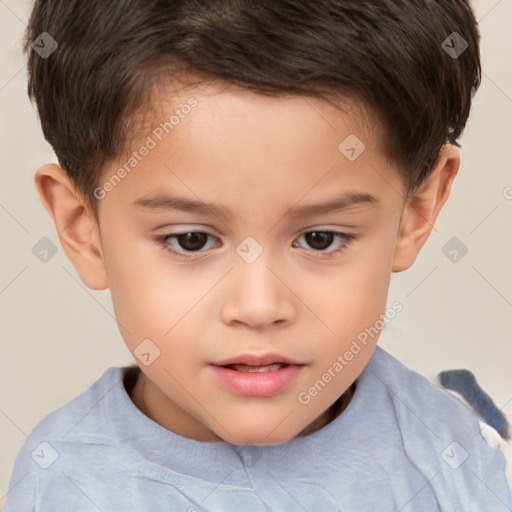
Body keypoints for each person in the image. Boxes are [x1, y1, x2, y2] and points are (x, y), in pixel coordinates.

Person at [5, 0, 511, 510]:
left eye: (320, 238)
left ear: (415, 212)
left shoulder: (458, 458)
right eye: (191, 240)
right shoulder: (64, 484)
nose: (258, 306)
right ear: (82, 227)